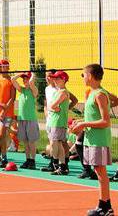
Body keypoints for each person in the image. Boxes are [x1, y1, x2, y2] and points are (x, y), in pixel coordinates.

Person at [71, 64, 113, 216]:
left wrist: (84, 124)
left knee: (101, 172)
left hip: (99, 140)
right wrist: (80, 121)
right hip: (92, 139)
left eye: (84, 75)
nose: (83, 78)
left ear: (91, 76)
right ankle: (104, 205)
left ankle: (105, 207)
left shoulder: (100, 94)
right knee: (98, 171)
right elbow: (93, 117)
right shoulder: (93, 93)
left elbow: (106, 121)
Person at [12, 72, 39, 169]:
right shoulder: (22, 90)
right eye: (24, 79)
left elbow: (31, 83)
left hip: (30, 119)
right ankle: (27, 160)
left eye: (26, 79)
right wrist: (20, 74)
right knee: (25, 141)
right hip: (22, 119)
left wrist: (32, 75)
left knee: (31, 141)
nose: (24, 81)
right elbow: (13, 80)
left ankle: (33, 161)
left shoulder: (33, 91)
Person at [46, 70, 71, 176]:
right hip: (54, 121)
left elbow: (52, 106)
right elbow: (51, 106)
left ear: (64, 80)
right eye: (54, 78)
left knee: (55, 144)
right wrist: (52, 108)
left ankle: (57, 164)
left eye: (57, 78)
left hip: (58, 122)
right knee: (57, 144)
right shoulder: (58, 91)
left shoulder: (63, 92)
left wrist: (53, 108)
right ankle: (62, 166)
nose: (55, 80)